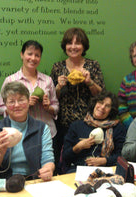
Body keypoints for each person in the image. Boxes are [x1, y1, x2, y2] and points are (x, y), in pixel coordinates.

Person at [0, 81, 55, 187]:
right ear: (5, 105)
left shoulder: (42, 129)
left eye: (21, 100)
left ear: (29, 101)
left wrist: (48, 169)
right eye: (11, 102)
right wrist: (0, 154)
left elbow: (47, 159)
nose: (17, 105)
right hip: (3, 186)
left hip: (31, 183)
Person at [50, 27, 105, 171]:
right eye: (70, 43)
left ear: (84, 46)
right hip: (64, 124)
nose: (73, 47)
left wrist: (90, 82)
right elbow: (51, 99)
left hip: (89, 123)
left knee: (87, 161)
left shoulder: (93, 66)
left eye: (78, 43)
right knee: (64, 161)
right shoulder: (58, 67)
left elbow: (101, 96)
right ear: (65, 46)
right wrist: (58, 88)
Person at [0, 40, 59, 142]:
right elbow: (1, 109)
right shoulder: (11, 81)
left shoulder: (47, 80)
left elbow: (56, 107)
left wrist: (48, 107)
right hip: (20, 135)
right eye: (29, 54)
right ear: (22, 55)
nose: (33, 58)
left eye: (37, 55)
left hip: (47, 134)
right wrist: (23, 105)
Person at [62, 91, 126, 173]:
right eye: (100, 102)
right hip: (78, 170)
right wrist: (78, 147)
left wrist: (105, 161)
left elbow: (121, 156)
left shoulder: (117, 128)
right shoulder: (77, 126)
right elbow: (65, 156)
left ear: (111, 110)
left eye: (107, 106)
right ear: (95, 104)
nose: (102, 107)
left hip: (106, 170)